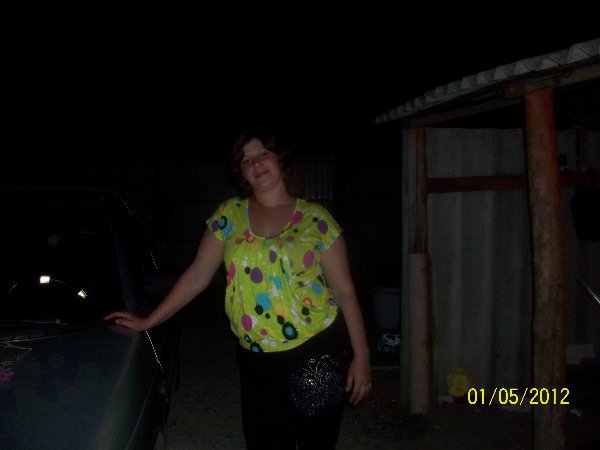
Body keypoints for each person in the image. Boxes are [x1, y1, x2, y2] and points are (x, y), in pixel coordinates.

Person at [104, 129, 371, 450]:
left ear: (280, 159)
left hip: (317, 350)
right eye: (246, 160)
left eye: (263, 154)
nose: (256, 164)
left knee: (318, 443)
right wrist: (149, 320)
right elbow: (197, 276)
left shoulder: (317, 220)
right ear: (241, 172)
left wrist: (362, 356)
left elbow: (344, 291)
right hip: (257, 358)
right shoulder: (228, 215)